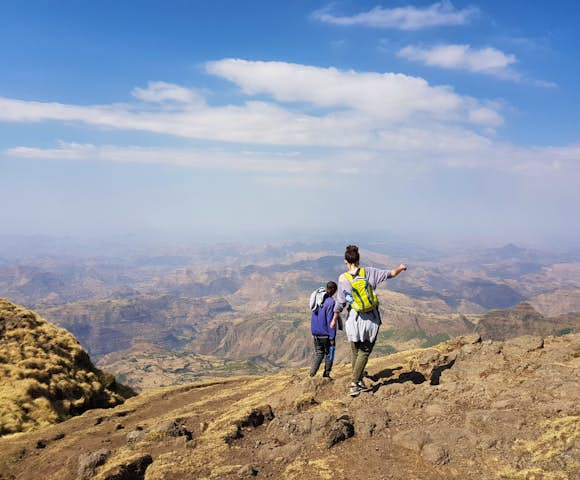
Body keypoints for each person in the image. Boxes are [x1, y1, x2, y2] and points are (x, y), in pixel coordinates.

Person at [330, 245, 407, 397]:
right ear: (358, 260)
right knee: (364, 351)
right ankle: (354, 383)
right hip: (370, 319)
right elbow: (391, 274)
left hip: (354, 319)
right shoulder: (370, 272)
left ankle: (357, 381)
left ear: (346, 261)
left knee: (356, 351)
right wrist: (400, 267)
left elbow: (340, 302)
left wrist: (334, 318)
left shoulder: (343, 278)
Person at [309, 281, 338, 378]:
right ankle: (326, 374)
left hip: (316, 333)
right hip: (325, 334)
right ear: (333, 289)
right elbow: (331, 321)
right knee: (329, 353)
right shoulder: (330, 302)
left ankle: (311, 374)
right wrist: (332, 337)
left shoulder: (317, 299)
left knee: (319, 354)